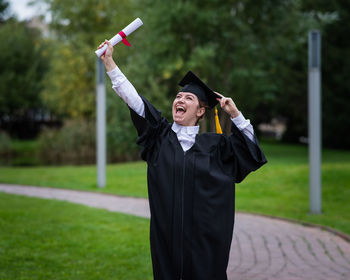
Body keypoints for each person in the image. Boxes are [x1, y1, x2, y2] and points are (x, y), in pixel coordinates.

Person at [98, 40, 267, 280]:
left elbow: (250, 151)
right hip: (167, 238)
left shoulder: (217, 147)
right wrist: (110, 63)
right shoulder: (160, 138)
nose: (180, 100)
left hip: (206, 241)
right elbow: (136, 102)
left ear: (200, 111)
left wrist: (235, 114)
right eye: (178, 96)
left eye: (189, 98)